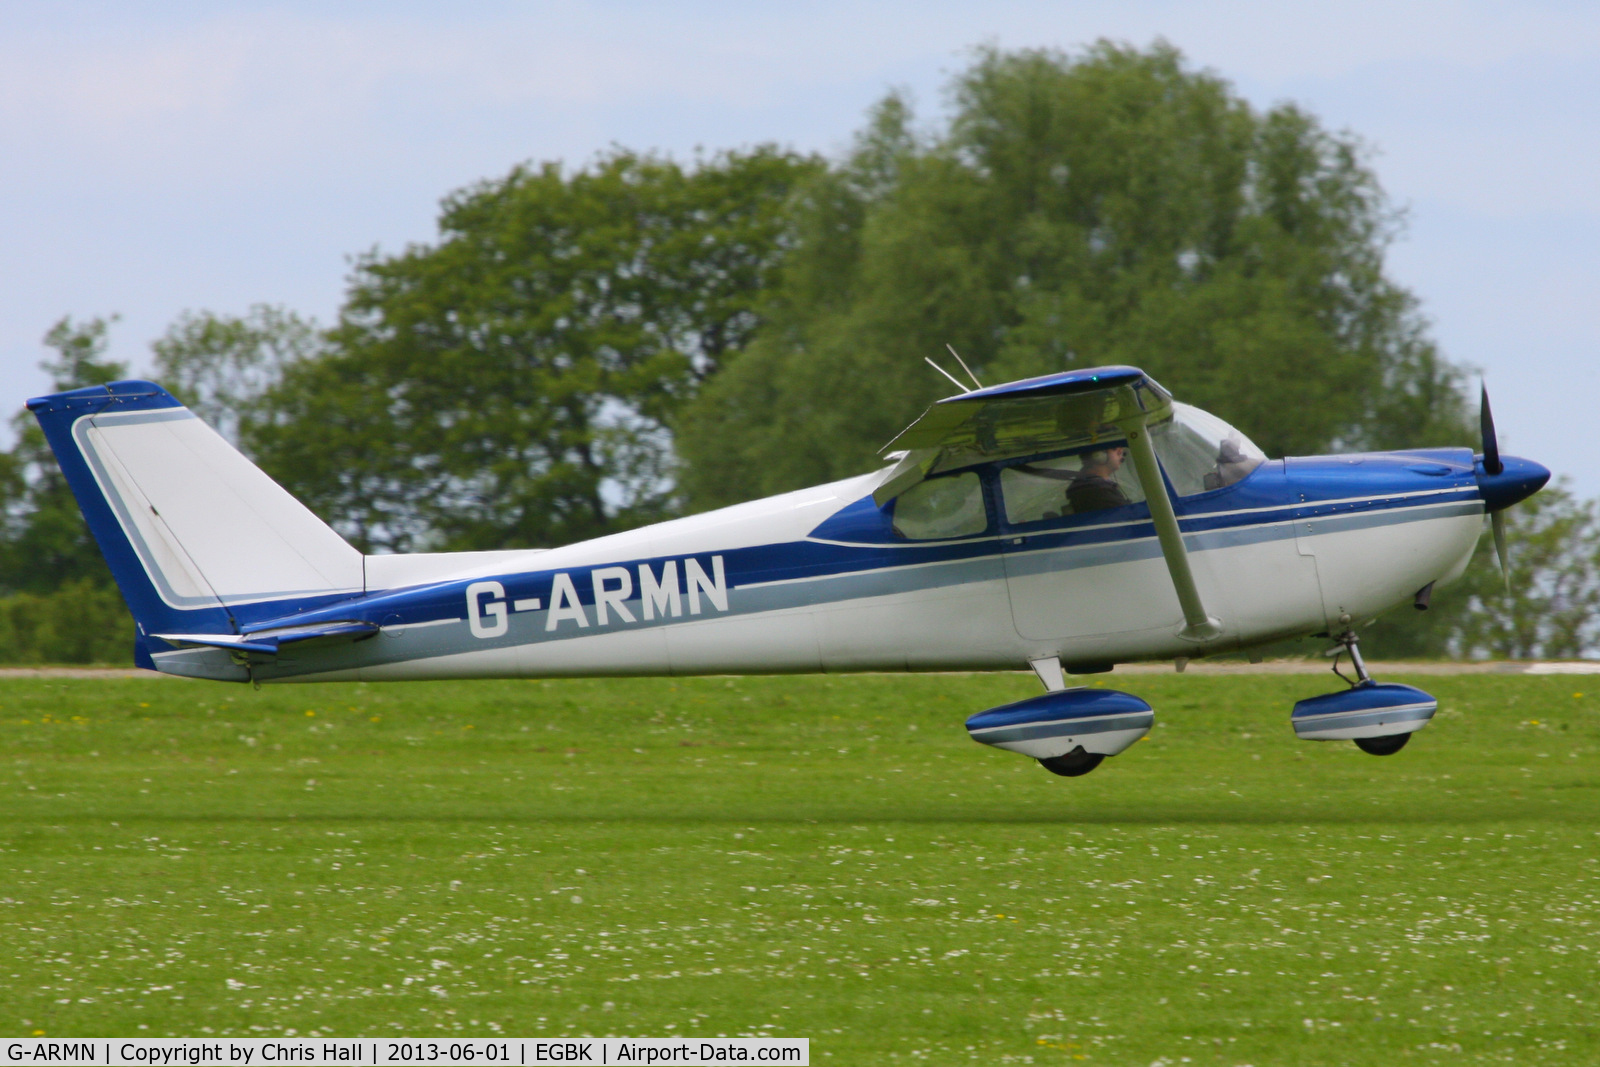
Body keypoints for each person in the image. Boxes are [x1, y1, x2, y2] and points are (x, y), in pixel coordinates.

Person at [1066, 446, 1131, 513]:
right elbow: (1127, 514)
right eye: (1114, 448)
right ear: (1098, 456)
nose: (1121, 451)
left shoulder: (1093, 485)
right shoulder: (1096, 491)